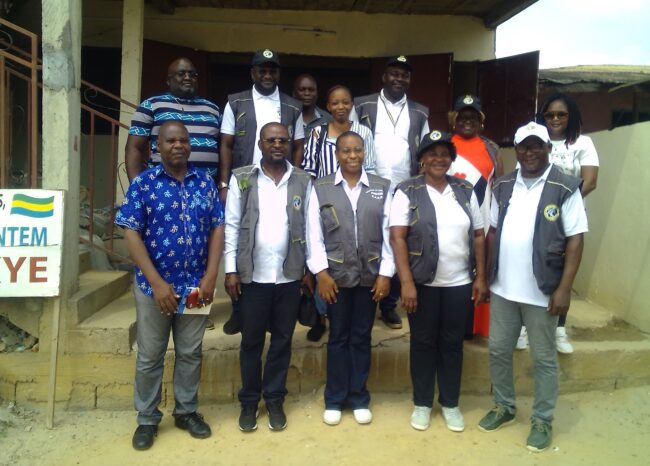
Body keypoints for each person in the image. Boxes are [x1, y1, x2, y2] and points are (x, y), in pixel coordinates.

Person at [478, 122, 587, 453]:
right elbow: (491, 231)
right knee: (498, 351)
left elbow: (576, 239)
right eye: (524, 146)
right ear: (516, 150)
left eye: (537, 145)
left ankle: (542, 419)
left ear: (548, 148)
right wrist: (485, 276)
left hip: (542, 291)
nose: (530, 152)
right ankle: (505, 406)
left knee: (543, 359)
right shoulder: (503, 184)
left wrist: (565, 288)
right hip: (504, 288)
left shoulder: (565, 186)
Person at [115, 121, 225, 450]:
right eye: (170, 140)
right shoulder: (144, 183)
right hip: (154, 289)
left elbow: (218, 227)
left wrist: (211, 276)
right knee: (150, 355)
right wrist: (157, 282)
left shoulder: (204, 182)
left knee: (191, 352)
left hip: (196, 287)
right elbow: (130, 232)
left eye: (183, 140)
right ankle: (147, 418)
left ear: (190, 145)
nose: (178, 145)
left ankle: (186, 411)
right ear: (157, 147)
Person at [390, 130, 487, 433]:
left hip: (459, 283)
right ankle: (422, 403)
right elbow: (397, 238)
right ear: (421, 159)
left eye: (445, 154)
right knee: (423, 343)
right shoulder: (408, 191)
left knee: (452, 344)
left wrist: (481, 277)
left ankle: (450, 403)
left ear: (451, 159)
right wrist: (406, 282)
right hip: (422, 285)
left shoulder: (465, 189)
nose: (439, 159)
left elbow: (479, 235)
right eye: (432, 154)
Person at [224, 122, 311, 432]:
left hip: (288, 276)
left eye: (283, 140)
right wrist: (230, 269)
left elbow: (310, 227)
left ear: (289, 144)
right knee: (251, 342)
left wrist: (309, 269)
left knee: (282, 341)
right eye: (271, 140)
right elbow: (232, 224)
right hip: (253, 277)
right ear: (260, 144)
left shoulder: (303, 180)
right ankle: (249, 402)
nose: (277, 144)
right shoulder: (242, 177)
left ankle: (274, 398)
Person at [306, 131, 393, 426]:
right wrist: (321, 273)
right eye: (346, 150)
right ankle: (334, 398)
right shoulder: (321, 188)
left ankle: (358, 397)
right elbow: (313, 235)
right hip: (336, 279)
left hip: (370, 277)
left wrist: (385, 274)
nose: (352, 156)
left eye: (357, 150)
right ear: (337, 154)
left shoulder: (381, 187)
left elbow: (390, 235)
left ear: (364, 152)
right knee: (338, 337)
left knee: (361, 337)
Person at [219, 49, 305, 336]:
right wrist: (224, 183)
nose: (267, 75)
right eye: (262, 70)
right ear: (252, 73)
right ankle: (239, 312)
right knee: (243, 239)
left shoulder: (293, 106)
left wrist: (296, 178)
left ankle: (275, 314)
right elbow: (226, 144)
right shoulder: (236, 102)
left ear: (278, 73)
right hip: (246, 184)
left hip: (282, 181)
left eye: (272, 70)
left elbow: (298, 146)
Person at [516, 92, 600, 353]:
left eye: (561, 114)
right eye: (549, 114)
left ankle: (559, 328)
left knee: (562, 270)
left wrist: (560, 205)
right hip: (534, 215)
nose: (555, 119)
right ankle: (524, 326)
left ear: (570, 116)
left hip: (566, 218)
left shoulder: (582, 143)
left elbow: (590, 181)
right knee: (529, 264)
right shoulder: (535, 142)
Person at [354, 55, 430, 330]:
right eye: (394, 73)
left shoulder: (420, 112)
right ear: (384, 77)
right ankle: (363, 300)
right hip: (369, 184)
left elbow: (424, 149)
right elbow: (352, 139)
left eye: (404, 75)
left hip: (403, 187)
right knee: (367, 238)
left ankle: (388, 305)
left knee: (399, 242)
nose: (399, 79)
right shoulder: (362, 104)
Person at [302, 84, 377, 341]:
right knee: (322, 257)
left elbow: (372, 168)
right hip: (324, 203)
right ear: (328, 106)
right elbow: (310, 171)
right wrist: (315, 202)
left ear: (352, 104)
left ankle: (349, 318)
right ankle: (321, 317)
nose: (341, 107)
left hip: (357, 200)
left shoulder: (364, 132)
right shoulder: (317, 132)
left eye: (345, 102)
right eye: (335, 103)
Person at [447, 95, 503, 339]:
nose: (467, 121)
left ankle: (475, 325)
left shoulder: (492, 148)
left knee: (480, 268)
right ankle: (455, 325)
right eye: (462, 116)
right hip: (452, 218)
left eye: (473, 117)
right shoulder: (445, 144)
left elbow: (498, 185)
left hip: (484, 218)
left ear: (481, 121)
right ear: (454, 119)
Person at [125, 58, 222, 181]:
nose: (187, 77)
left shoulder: (213, 109)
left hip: (205, 187)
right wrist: (136, 187)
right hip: (161, 187)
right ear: (168, 80)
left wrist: (222, 184)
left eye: (192, 74)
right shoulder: (151, 105)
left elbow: (224, 148)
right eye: (181, 74)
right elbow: (134, 148)